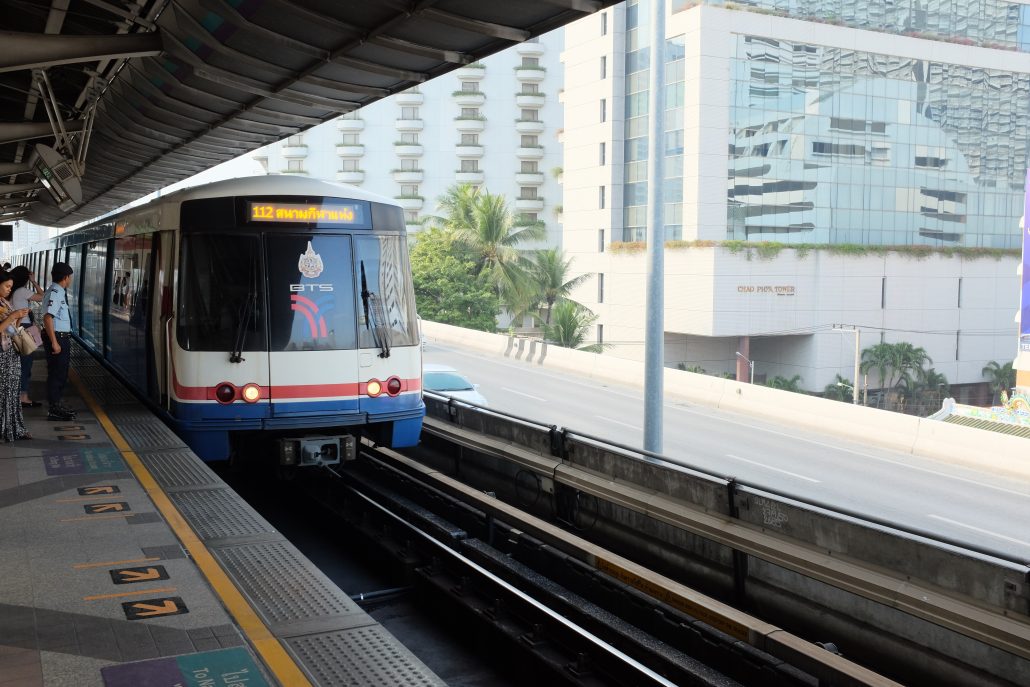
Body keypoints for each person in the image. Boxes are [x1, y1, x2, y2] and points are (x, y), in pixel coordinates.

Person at [0, 270, 33, 441]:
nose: (8, 290)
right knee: (4, 392)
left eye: (10, 287)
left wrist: (19, 318)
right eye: (6, 286)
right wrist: (13, 315)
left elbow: (11, 328)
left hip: (12, 353)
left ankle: (14, 427)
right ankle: (5, 428)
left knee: (12, 392)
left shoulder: (5, 302)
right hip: (2, 356)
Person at [43, 262, 76, 421]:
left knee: (60, 373)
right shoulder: (56, 292)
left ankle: (57, 404)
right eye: (70, 277)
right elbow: (48, 317)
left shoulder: (57, 291)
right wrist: (54, 342)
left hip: (60, 336)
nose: (70, 280)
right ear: (66, 277)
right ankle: (54, 408)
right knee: (57, 374)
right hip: (58, 337)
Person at [10, 266, 44, 408]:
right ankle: (23, 397)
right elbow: (43, 297)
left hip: (15, 329)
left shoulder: (11, 291)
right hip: (24, 330)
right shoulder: (22, 291)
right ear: (26, 278)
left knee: (19, 365)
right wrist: (34, 282)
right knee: (26, 364)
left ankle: (18, 395)